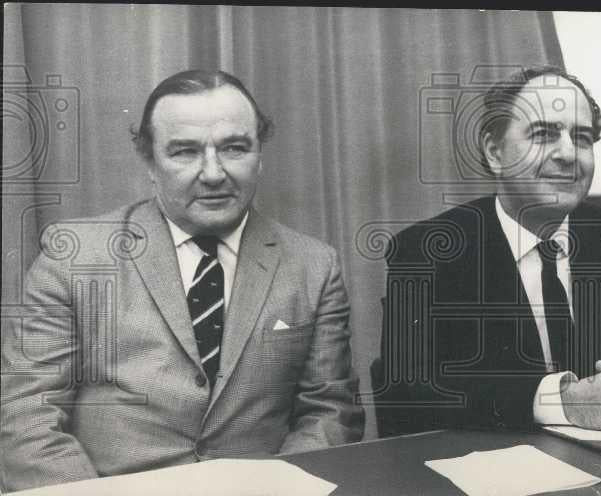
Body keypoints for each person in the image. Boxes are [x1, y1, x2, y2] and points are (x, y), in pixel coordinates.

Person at [0, 70, 363, 491]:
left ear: (259, 155)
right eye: (185, 152)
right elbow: (24, 412)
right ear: (149, 164)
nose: (213, 173)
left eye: (234, 147)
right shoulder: (74, 257)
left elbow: (330, 412)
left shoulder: (314, 266)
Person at [373, 66, 601, 437]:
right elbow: (406, 391)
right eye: (543, 135)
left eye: (582, 138)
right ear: (495, 152)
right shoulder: (429, 250)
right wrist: (563, 402)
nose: (569, 154)